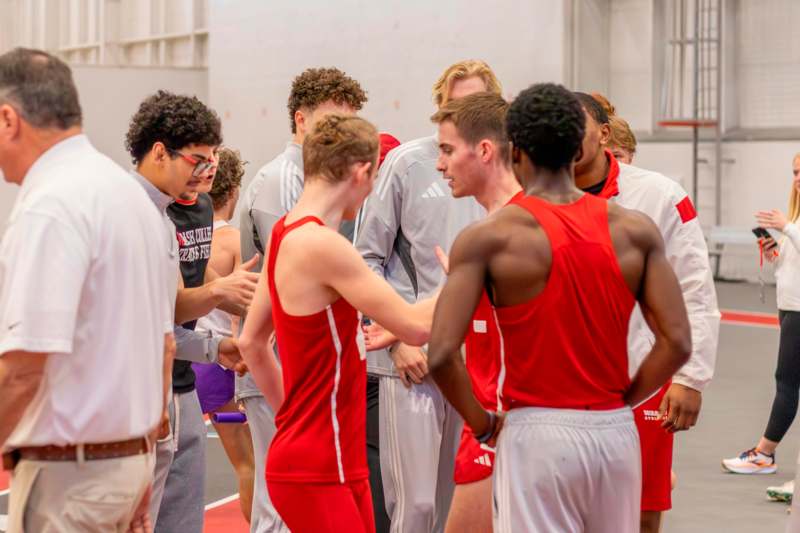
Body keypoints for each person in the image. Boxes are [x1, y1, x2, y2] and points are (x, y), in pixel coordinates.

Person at [428, 82, 693, 533]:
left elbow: (440, 354)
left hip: (536, 431)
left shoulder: (490, 237)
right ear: (578, 151)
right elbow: (678, 342)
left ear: (515, 154)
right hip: (614, 432)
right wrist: (623, 400)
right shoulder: (635, 230)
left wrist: (484, 424)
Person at [238, 114, 438, 533]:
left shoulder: (285, 232)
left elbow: (252, 344)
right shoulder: (324, 245)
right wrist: (462, 280)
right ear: (364, 173)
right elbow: (416, 328)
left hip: (332, 458)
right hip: (319, 466)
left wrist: (291, 419)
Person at [0, 47, 171, 533]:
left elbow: (24, 367)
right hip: (123, 462)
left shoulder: (52, 204)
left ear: (9, 118)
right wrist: (141, 461)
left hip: (69, 479)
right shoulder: (126, 194)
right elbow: (163, 343)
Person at [354, 59, 498, 533]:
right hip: (412, 361)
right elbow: (365, 261)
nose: (462, 114)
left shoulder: (508, 175)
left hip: (479, 362)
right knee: (414, 509)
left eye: (474, 105)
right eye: (453, 106)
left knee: (461, 502)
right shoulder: (408, 163)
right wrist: (398, 337)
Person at [574, 91, 720, 533]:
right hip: (558, 386)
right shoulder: (532, 196)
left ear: (602, 134)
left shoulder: (659, 196)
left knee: (641, 510)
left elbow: (694, 287)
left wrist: (690, 377)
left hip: (640, 380)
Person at [236, 66, 368, 533]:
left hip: (306, 374)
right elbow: (288, 284)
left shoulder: (322, 188)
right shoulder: (287, 182)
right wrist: (294, 406)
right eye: (333, 125)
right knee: (277, 516)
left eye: (349, 126)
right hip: (286, 368)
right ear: (300, 120)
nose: (342, 137)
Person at [124, 90, 254, 532]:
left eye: (214, 157)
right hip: (135, 396)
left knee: (179, 521)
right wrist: (220, 296)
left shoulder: (184, 209)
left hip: (180, 381)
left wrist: (215, 345)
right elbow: (150, 318)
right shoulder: (131, 212)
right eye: (198, 158)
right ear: (160, 152)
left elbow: (168, 315)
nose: (209, 169)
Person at [723, 154, 800, 498]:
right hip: (789, 306)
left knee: (786, 383)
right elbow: (791, 264)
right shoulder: (796, 217)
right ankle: (764, 454)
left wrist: (786, 228)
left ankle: (764, 453)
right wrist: (775, 251)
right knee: (788, 381)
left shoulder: (792, 223)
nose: (798, 178)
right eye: (795, 172)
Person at [192, 147, 257, 522]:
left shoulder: (191, 239)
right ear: (232, 191)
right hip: (229, 370)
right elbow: (245, 311)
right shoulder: (234, 240)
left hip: (199, 368)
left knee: (239, 463)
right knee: (250, 464)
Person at [590, 92, 636, 163]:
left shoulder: (647, 174)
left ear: (630, 156)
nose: (611, 163)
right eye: (602, 157)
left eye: (616, 156)